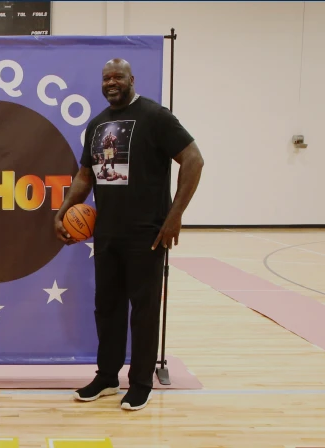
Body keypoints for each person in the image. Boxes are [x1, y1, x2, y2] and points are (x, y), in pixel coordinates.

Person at [54, 59, 204, 411]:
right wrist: (62, 211)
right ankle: (107, 377)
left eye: (118, 77)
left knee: (144, 310)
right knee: (107, 308)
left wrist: (175, 216)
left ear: (131, 80)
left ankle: (140, 383)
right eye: (106, 77)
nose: (111, 82)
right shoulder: (97, 125)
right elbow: (85, 176)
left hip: (147, 233)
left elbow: (194, 159)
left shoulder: (156, 117)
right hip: (106, 234)